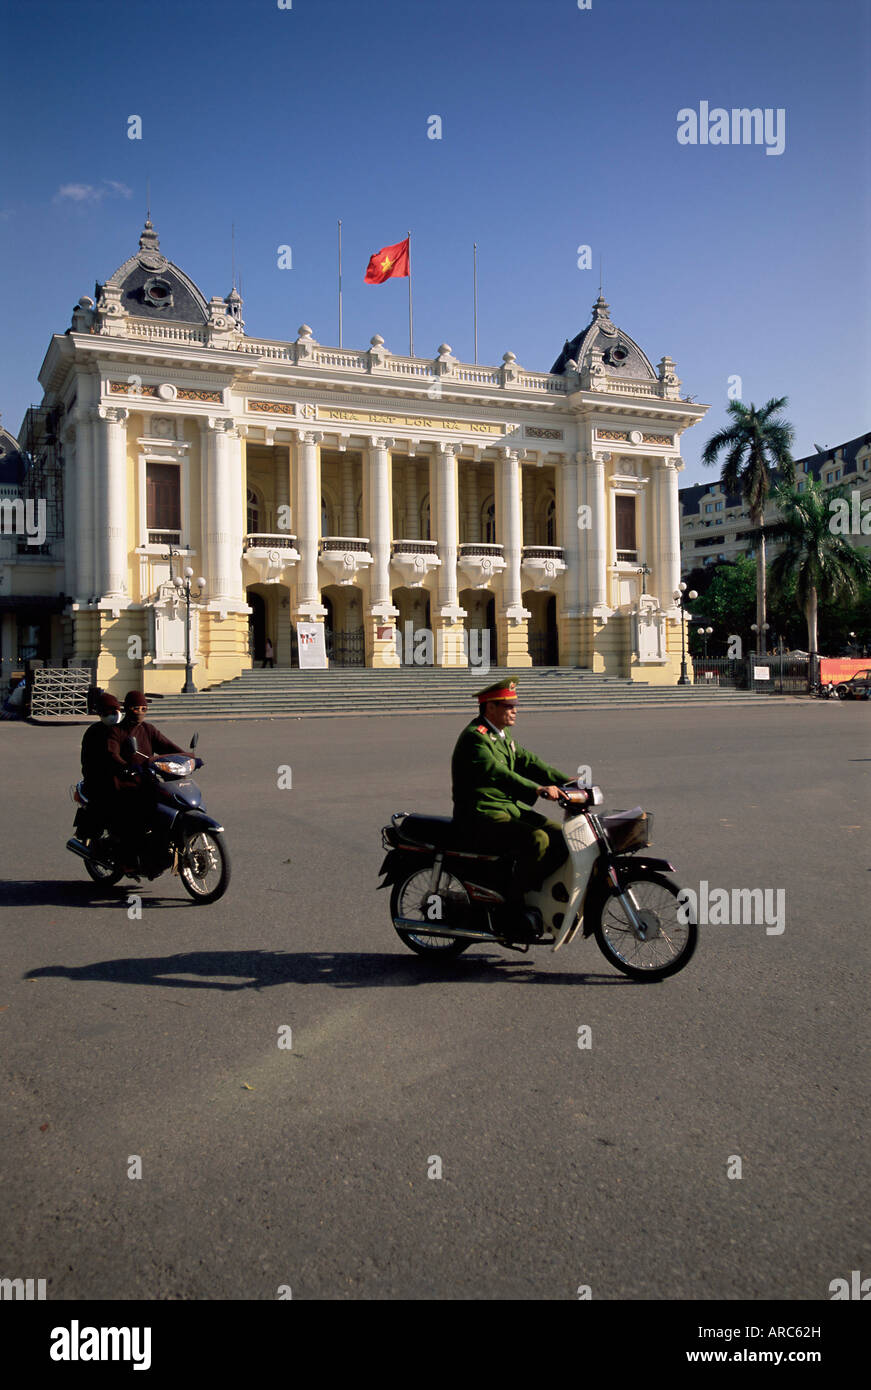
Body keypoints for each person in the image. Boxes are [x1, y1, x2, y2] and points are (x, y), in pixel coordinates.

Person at [451, 680, 573, 931]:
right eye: (508, 706)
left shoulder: (501, 735)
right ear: (490, 708)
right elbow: (498, 773)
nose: (515, 710)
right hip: (481, 813)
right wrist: (537, 790)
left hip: (506, 810)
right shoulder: (475, 738)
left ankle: (529, 888)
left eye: (515, 705)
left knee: (562, 836)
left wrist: (567, 782)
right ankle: (511, 904)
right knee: (537, 838)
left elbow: (529, 762)